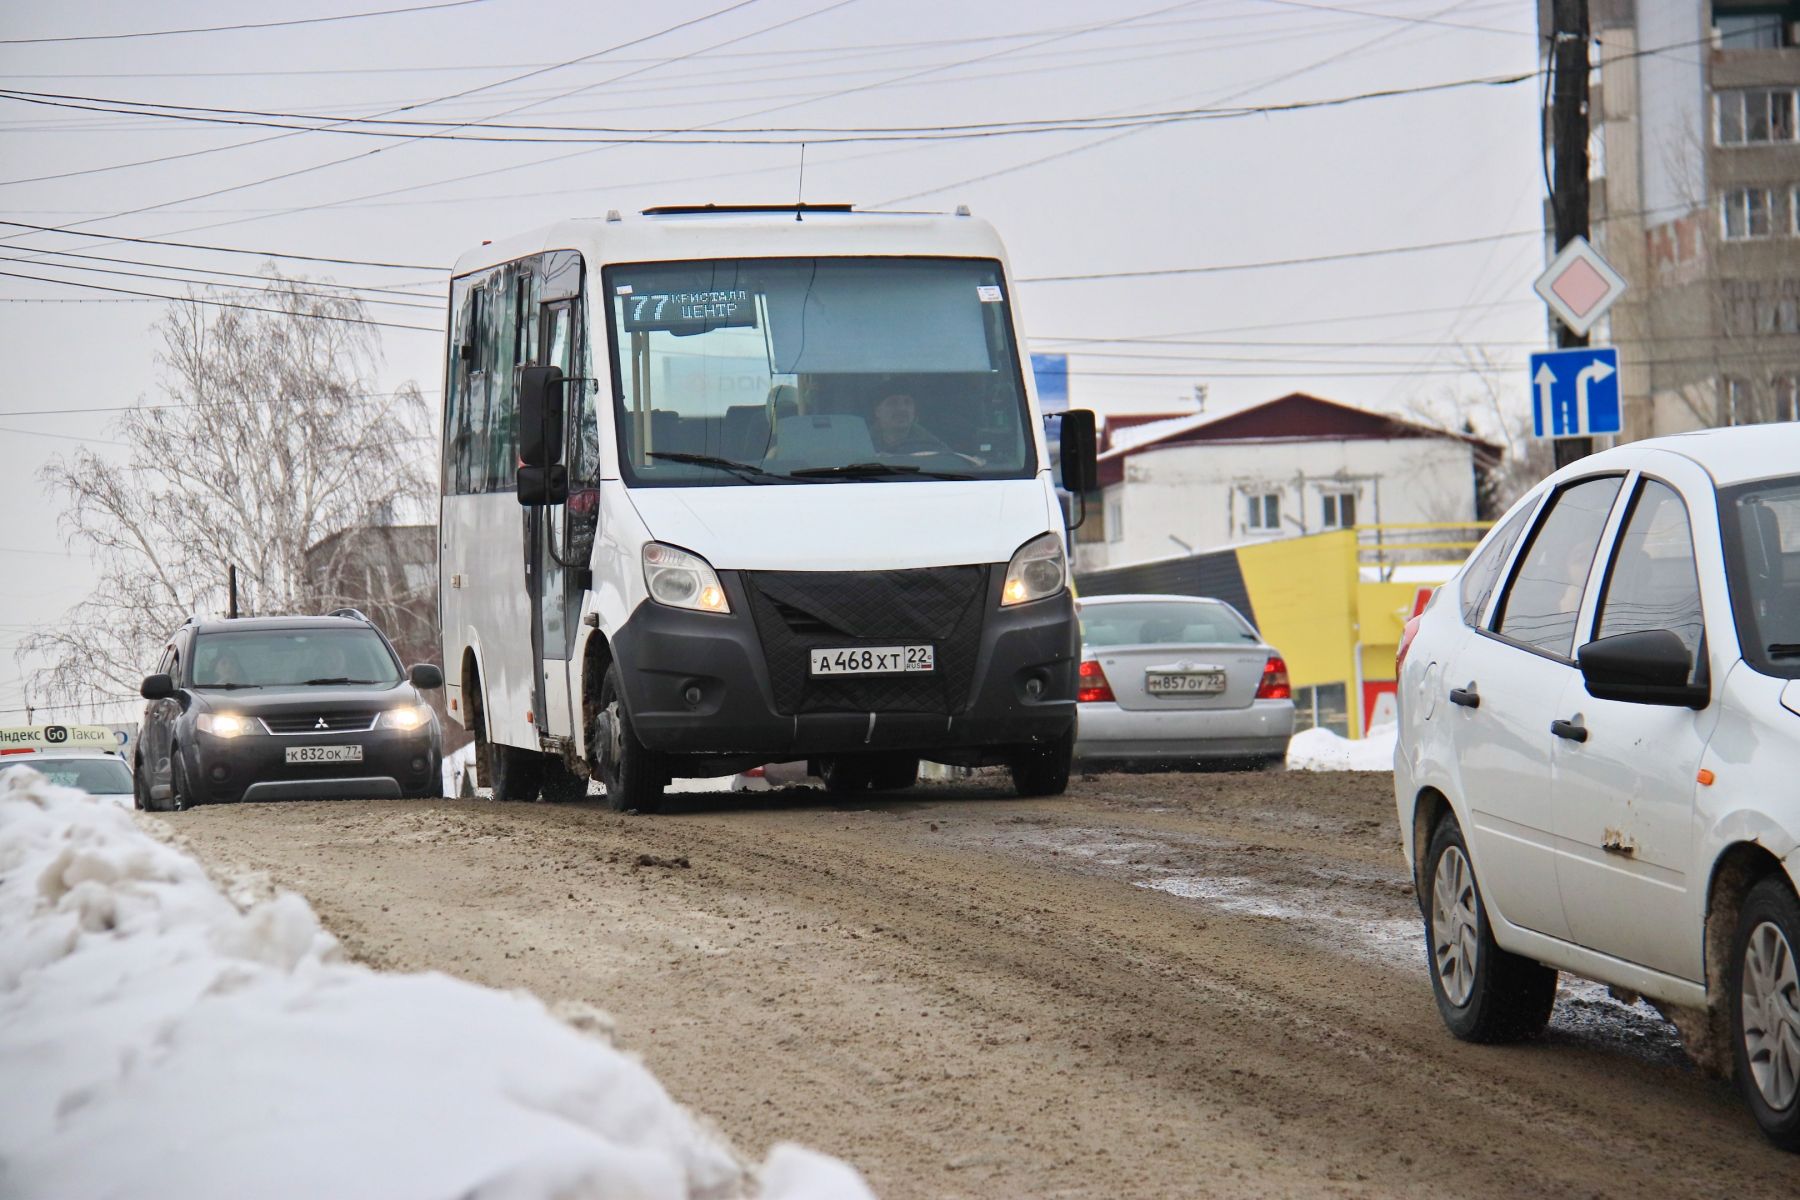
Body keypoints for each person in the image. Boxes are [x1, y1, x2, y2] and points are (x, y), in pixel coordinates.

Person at [870, 392, 953, 456]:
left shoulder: (933, 448)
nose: (902, 409)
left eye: (907, 402)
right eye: (893, 402)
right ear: (878, 411)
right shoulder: (861, 444)